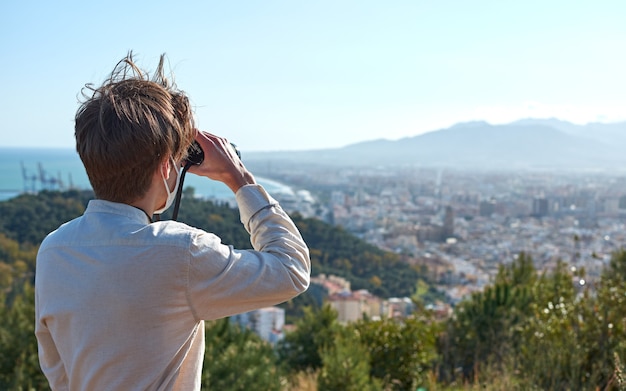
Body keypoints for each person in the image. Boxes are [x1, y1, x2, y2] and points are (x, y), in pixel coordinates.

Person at [34, 53, 311, 390]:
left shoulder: (53, 251)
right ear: (167, 167)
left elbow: (57, 369)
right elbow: (291, 270)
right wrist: (239, 178)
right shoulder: (183, 252)